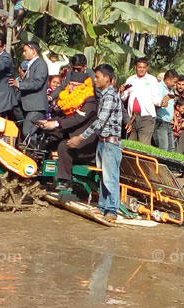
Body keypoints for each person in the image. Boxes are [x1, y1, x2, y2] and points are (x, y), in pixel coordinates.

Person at [71, 64, 122, 222]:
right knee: (103, 176)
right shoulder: (104, 94)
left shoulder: (110, 96)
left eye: (98, 77)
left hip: (110, 143)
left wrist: (80, 137)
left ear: (106, 79)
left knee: (110, 177)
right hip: (103, 141)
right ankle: (102, 206)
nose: (95, 79)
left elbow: (100, 121)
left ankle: (112, 209)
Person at [37, 70, 97, 192]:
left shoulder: (90, 101)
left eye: (74, 85)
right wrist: (47, 122)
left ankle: (65, 180)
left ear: (83, 86)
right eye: (70, 84)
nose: (71, 87)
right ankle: (42, 175)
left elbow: (77, 119)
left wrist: (55, 123)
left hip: (85, 141)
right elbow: (63, 116)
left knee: (64, 146)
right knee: (48, 137)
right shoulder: (68, 99)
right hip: (70, 132)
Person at [122, 57, 160, 145]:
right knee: (131, 145)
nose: (141, 69)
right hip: (132, 118)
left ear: (146, 68)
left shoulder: (152, 80)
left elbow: (156, 98)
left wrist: (161, 102)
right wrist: (121, 91)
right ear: (136, 67)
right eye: (139, 67)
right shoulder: (130, 79)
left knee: (144, 145)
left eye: (144, 67)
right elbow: (123, 97)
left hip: (147, 117)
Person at [14, 41, 48, 137]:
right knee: (28, 132)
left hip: (36, 107)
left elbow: (37, 83)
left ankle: (32, 151)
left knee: (27, 131)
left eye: (25, 51)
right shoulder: (30, 65)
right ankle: (30, 151)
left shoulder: (40, 64)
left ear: (33, 51)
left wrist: (19, 85)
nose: (23, 53)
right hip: (27, 106)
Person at [153, 69, 177, 151]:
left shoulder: (170, 90)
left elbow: (171, 106)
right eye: (174, 82)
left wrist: (174, 119)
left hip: (168, 123)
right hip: (161, 121)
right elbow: (156, 103)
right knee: (163, 147)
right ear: (167, 80)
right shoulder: (159, 87)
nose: (175, 84)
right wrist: (163, 101)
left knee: (171, 148)